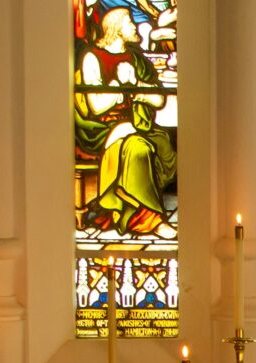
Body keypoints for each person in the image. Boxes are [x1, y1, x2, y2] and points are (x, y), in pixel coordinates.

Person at [75, 7, 177, 238]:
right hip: (101, 128)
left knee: (161, 143)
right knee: (138, 148)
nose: (134, 27)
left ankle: (130, 208)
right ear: (117, 28)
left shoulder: (135, 57)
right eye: (130, 23)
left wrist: (137, 86)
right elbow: (96, 106)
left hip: (135, 124)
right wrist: (121, 88)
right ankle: (148, 220)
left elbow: (158, 98)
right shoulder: (92, 57)